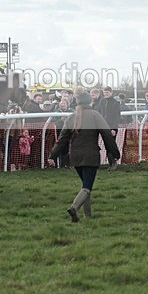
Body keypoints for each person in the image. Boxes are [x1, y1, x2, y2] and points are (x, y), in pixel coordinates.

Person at [49, 88, 120, 222]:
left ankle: (88, 217)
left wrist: (52, 155)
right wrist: (114, 154)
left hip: (75, 157)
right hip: (91, 156)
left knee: (85, 186)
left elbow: (62, 139)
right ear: (89, 102)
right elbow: (107, 136)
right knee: (87, 186)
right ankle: (74, 208)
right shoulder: (95, 115)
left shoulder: (71, 117)